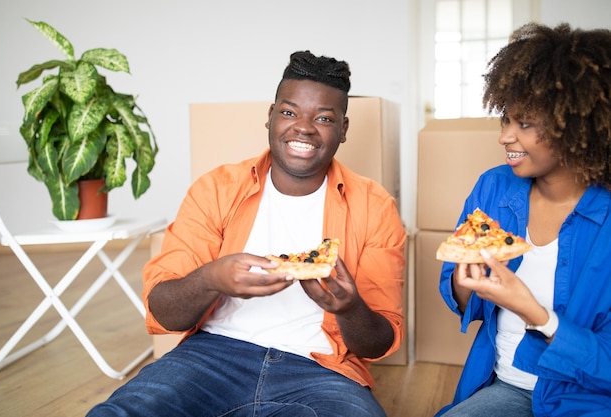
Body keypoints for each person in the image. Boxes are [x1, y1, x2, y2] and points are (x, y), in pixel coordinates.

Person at [87, 50, 406, 417]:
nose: (303, 127)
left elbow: (377, 342)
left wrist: (349, 308)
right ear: (270, 117)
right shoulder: (216, 188)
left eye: (323, 118)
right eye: (289, 112)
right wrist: (212, 278)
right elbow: (164, 310)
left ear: (344, 130)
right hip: (210, 357)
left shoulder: (375, 206)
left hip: (321, 370)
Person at [436, 23, 611, 417]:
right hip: (509, 390)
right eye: (506, 120)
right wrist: (468, 282)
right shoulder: (493, 188)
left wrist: (535, 313)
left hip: (590, 401)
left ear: (575, 126)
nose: (505, 137)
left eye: (525, 124)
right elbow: (459, 296)